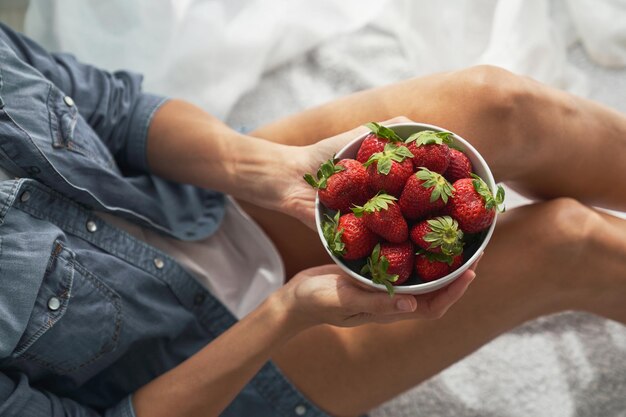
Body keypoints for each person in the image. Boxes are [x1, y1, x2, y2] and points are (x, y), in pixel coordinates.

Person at [0, 20, 625, 417]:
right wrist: (286, 313)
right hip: (212, 367)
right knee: (567, 242)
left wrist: (263, 168)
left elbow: (119, 111)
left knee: (501, 103)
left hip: (196, 203)